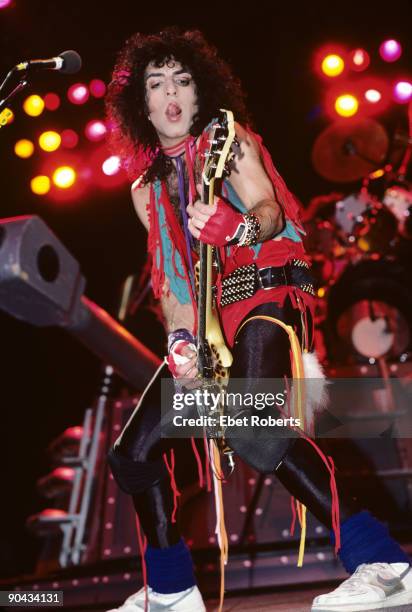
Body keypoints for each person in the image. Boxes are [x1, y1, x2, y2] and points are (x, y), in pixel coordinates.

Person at [104, 27, 412, 612]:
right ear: (140, 104)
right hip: (210, 322)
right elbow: (172, 282)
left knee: (252, 426)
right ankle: (172, 590)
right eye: (156, 83)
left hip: (268, 293)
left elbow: (269, 207)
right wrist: (181, 343)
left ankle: (385, 562)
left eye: (183, 81)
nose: (171, 93)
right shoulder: (145, 189)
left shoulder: (227, 138)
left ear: (200, 93)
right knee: (133, 454)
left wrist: (236, 227)